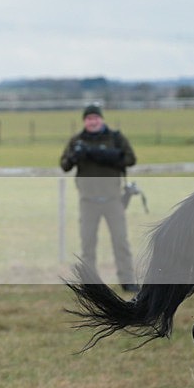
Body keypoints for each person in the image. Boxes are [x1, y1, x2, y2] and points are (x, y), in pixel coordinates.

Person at [60, 103, 139, 292]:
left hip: (113, 200)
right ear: (84, 121)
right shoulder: (76, 140)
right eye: (89, 118)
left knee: (120, 241)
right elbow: (64, 165)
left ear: (101, 119)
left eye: (95, 118)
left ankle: (127, 280)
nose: (92, 121)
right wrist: (73, 156)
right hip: (88, 201)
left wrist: (98, 154)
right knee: (88, 244)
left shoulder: (115, 139)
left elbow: (130, 159)